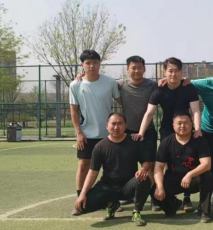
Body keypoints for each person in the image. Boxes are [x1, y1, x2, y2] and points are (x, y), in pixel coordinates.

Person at [136, 57, 202, 212]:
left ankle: (187, 198)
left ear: (181, 72)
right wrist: (141, 133)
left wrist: (197, 129)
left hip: (186, 129)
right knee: (167, 164)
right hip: (167, 130)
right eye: (170, 71)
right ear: (164, 72)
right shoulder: (159, 89)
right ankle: (164, 195)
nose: (173, 74)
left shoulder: (188, 88)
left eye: (176, 71)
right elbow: (149, 113)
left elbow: (195, 111)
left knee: (189, 161)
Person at [74, 113, 152, 226]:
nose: (116, 127)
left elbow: (146, 162)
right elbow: (92, 172)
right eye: (113, 124)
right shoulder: (100, 146)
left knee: (144, 179)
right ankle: (112, 204)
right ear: (107, 126)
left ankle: (136, 212)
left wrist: (143, 169)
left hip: (128, 186)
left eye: (120, 124)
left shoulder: (134, 142)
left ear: (125, 126)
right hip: (108, 186)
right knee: (82, 207)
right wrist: (82, 194)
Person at [70, 50, 121, 216]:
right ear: (82, 65)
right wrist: (78, 132)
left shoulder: (110, 82)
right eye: (88, 63)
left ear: (100, 64)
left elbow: (123, 100)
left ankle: (112, 201)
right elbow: (74, 110)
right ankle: (80, 201)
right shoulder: (75, 85)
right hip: (87, 134)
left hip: (109, 135)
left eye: (95, 63)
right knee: (83, 165)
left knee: (110, 169)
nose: (92, 66)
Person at [154, 112, 213, 223]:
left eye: (186, 123)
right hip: (173, 178)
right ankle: (173, 205)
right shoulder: (166, 142)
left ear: (192, 124)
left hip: (194, 179)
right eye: (179, 123)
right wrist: (159, 186)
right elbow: (158, 167)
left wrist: (190, 174)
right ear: (173, 125)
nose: (182, 126)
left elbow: (206, 164)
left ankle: (204, 211)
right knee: (153, 185)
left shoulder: (200, 140)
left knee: (208, 176)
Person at [117, 56, 160, 211]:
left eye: (139, 67)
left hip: (148, 132)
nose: (136, 70)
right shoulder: (120, 84)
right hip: (127, 132)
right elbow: (100, 82)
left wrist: (184, 80)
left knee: (150, 165)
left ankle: (154, 197)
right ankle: (130, 194)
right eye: (133, 68)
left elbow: (169, 83)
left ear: (144, 69)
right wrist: (81, 75)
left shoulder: (152, 85)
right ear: (127, 69)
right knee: (127, 165)